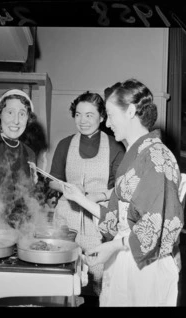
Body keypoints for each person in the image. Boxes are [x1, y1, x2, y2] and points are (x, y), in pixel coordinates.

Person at [61, 79, 184, 307]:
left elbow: (153, 226)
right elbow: (118, 219)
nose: (107, 123)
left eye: (109, 115)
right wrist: (79, 198)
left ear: (130, 111)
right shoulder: (136, 154)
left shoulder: (157, 156)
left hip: (146, 266)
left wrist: (113, 246)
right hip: (128, 257)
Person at [48, 91, 125, 303]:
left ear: (102, 117)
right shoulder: (65, 144)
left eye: (90, 115)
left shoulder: (114, 145)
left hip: (97, 221)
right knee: (65, 279)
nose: (83, 121)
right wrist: (66, 187)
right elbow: (52, 180)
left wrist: (96, 194)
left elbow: (121, 187)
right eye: (78, 114)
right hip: (66, 221)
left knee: (96, 282)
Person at [0, 89, 40, 230]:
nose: (16, 120)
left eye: (22, 114)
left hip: (19, 228)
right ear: (0, 114)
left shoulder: (29, 152)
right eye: (10, 112)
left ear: (28, 119)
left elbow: (27, 197)